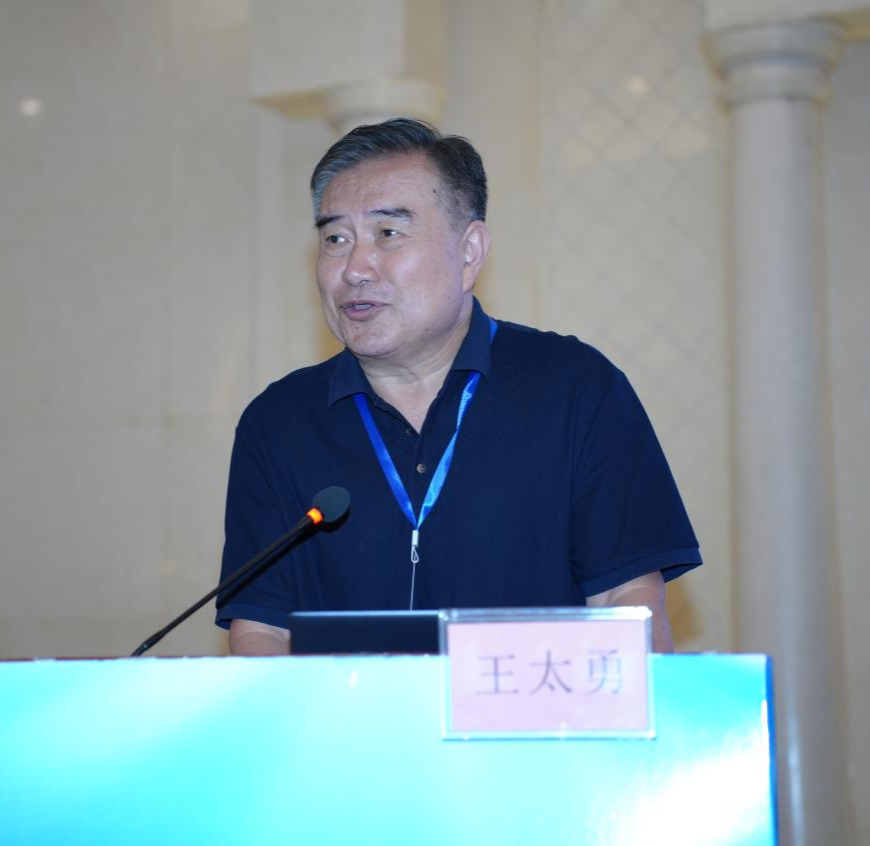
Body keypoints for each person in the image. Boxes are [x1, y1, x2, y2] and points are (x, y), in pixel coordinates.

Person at [215, 118, 700, 656]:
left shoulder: (577, 390)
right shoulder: (278, 422)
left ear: (469, 252)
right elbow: (262, 630)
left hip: (534, 710)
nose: (354, 269)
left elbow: (625, 601)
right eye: (335, 239)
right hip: (344, 715)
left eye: (387, 233)